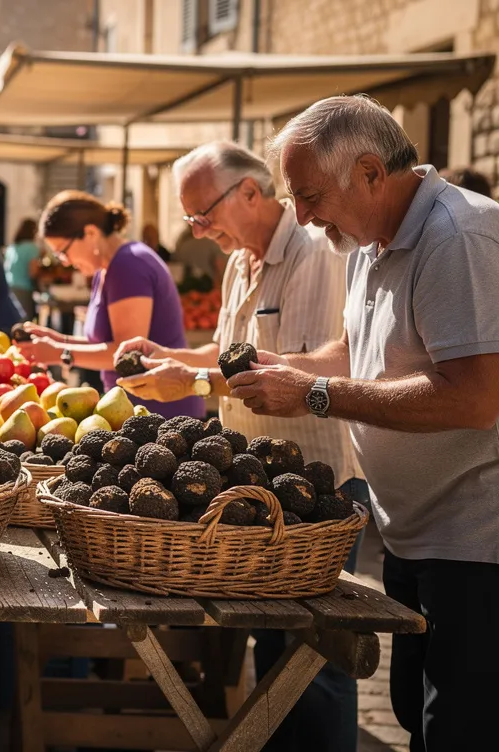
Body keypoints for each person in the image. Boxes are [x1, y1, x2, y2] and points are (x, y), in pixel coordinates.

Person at [232, 95, 499, 751]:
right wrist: (285, 368)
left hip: (477, 543)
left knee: (460, 733)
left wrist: (316, 395)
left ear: (373, 173)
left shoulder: (456, 238)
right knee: (415, 716)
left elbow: (474, 397)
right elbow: (356, 353)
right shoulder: (364, 240)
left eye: (310, 195)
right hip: (412, 532)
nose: (301, 215)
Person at [113, 142, 366, 752]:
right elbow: (232, 355)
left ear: (251, 193)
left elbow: (317, 364)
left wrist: (194, 382)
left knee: (318, 658)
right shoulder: (239, 263)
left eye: (203, 214)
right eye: (190, 219)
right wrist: (169, 358)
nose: (198, 230)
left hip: (318, 486)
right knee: (271, 643)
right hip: (253, 484)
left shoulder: (318, 251)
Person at [15, 191, 203, 419]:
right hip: (134, 409)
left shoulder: (128, 263)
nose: (65, 262)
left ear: (91, 233)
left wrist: (62, 353)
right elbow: (106, 343)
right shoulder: (106, 269)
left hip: (160, 412)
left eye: (63, 252)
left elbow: (126, 353)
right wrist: (57, 339)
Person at [4, 218, 40, 318]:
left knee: (12, 318)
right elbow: (33, 272)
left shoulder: (12, 247)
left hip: (9, 287)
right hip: (23, 288)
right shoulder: (32, 248)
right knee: (24, 322)